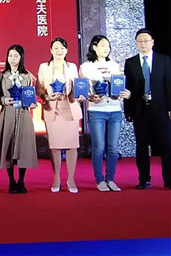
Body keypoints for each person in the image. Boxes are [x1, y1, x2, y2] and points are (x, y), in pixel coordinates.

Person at [79, 35, 131, 192]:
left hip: (115, 110)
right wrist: (90, 97)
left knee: (113, 147)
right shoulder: (86, 67)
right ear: (94, 47)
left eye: (108, 46)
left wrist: (127, 93)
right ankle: (100, 180)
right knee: (99, 147)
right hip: (97, 111)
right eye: (102, 45)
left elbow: (121, 86)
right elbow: (82, 91)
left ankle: (111, 179)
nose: (106, 48)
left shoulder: (115, 65)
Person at [124, 28, 171, 190]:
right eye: (140, 41)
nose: (143, 44)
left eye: (146, 40)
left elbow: (169, 85)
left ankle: (169, 179)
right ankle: (144, 179)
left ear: (152, 42)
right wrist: (128, 110)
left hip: (161, 109)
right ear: (136, 43)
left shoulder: (164, 60)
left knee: (167, 145)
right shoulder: (130, 63)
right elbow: (128, 88)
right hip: (140, 110)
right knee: (142, 146)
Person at [36, 37, 83, 193]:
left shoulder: (72, 67)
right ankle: (56, 177)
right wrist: (46, 96)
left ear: (67, 50)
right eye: (56, 48)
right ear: (51, 50)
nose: (59, 51)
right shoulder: (44, 67)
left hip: (69, 107)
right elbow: (39, 87)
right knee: (54, 146)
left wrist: (79, 94)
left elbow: (78, 86)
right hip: (52, 109)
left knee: (72, 146)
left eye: (62, 48)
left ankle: (71, 179)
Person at [0, 44, 38, 194]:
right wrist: (4, 100)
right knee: (8, 145)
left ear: (21, 57)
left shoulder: (27, 76)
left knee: (24, 146)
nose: (12, 58)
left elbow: (31, 94)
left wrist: (32, 103)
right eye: (10, 55)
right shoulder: (2, 76)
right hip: (8, 114)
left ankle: (21, 180)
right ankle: (11, 180)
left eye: (16, 56)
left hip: (24, 114)